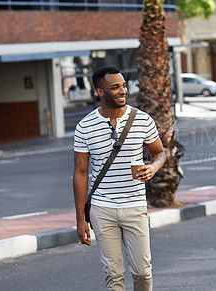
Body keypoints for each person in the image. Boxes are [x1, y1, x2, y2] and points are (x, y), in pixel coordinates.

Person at [73, 66, 166, 291]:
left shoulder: (143, 120)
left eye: (123, 85)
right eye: (115, 87)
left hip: (134, 205)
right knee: (113, 274)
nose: (122, 91)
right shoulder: (85, 127)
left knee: (142, 272)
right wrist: (80, 219)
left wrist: (153, 167)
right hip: (102, 209)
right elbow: (80, 173)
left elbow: (160, 152)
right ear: (100, 92)